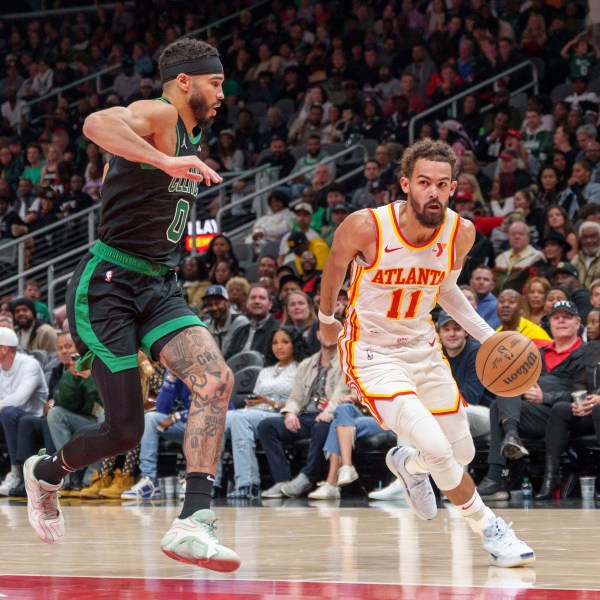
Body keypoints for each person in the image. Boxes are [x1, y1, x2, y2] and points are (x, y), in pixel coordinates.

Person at [21, 38, 240, 572]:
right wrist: (165, 160)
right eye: (215, 83)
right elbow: (96, 124)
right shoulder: (162, 114)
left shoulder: (192, 135)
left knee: (216, 382)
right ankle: (45, 474)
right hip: (109, 285)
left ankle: (194, 521)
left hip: (158, 285)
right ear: (185, 80)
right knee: (124, 430)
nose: (221, 95)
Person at [318, 138, 535, 568]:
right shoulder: (366, 226)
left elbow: (447, 291)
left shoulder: (461, 232)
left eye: (441, 184)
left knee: (462, 454)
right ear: (405, 185)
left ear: (454, 187)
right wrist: (327, 317)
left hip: (424, 346)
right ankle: (490, 529)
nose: (432, 191)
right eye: (423, 182)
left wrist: (488, 336)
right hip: (372, 353)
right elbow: (334, 267)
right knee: (439, 448)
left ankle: (410, 466)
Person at [477, 300, 583, 501]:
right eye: (556, 317)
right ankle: (510, 438)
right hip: (535, 414)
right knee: (501, 395)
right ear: (549, 323)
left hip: (566, 416)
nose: (561, 321)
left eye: (567, 317)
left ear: (578, 323)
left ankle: (496, 477)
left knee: (500, 405)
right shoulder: (536, 353)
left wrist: (546, 397)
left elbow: (586, 393)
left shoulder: (585, 353)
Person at [218, 326, 308, 499]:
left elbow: (301, 402)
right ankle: (212, 482)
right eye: (275, 343)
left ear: (295, 345)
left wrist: (270, 402)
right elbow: (257, 396)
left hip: (280, 413)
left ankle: (248, 483)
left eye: (285, 342)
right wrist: (253, 401)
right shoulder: (265, 371)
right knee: (217, 420)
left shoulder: (301, 369)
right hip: (255, 411)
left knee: (239, 419)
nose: (279, 347)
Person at [536, 307, 600, 500]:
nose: (590, 326)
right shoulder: (591, 350)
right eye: (589, 321)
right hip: (591, 410)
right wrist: (580, 401)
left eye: (595, 321)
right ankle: (551, 478)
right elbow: (579, 383)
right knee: (561, 408)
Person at [0, 328, 48, 496]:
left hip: (34, 417)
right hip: (6, 417)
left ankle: (16, 472)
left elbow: (19, 400)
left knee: (8, 413)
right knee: (6, 414)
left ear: (4, 349)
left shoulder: (30, 365)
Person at [201, 284, 249, 357]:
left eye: (218, 303)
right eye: (210, 305)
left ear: (228, 302)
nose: (214, 308)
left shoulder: (240, 322)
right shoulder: (205, 326)